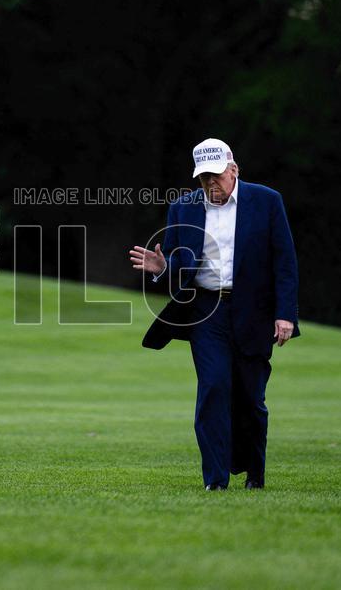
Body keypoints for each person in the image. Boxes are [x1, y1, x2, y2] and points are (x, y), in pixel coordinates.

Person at [128, 138, 300, 491]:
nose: (211, 184)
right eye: (204, 177)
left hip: (253, 311)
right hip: (205, 312)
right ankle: (215, 481)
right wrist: (163, 267)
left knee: (251, 398)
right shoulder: (184, 207)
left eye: (217, 176)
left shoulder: (267, 201)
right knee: (213, 389)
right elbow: (179, 264)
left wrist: (285, 315)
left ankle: (255, 474)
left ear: (234, 169)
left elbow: (285, 263)